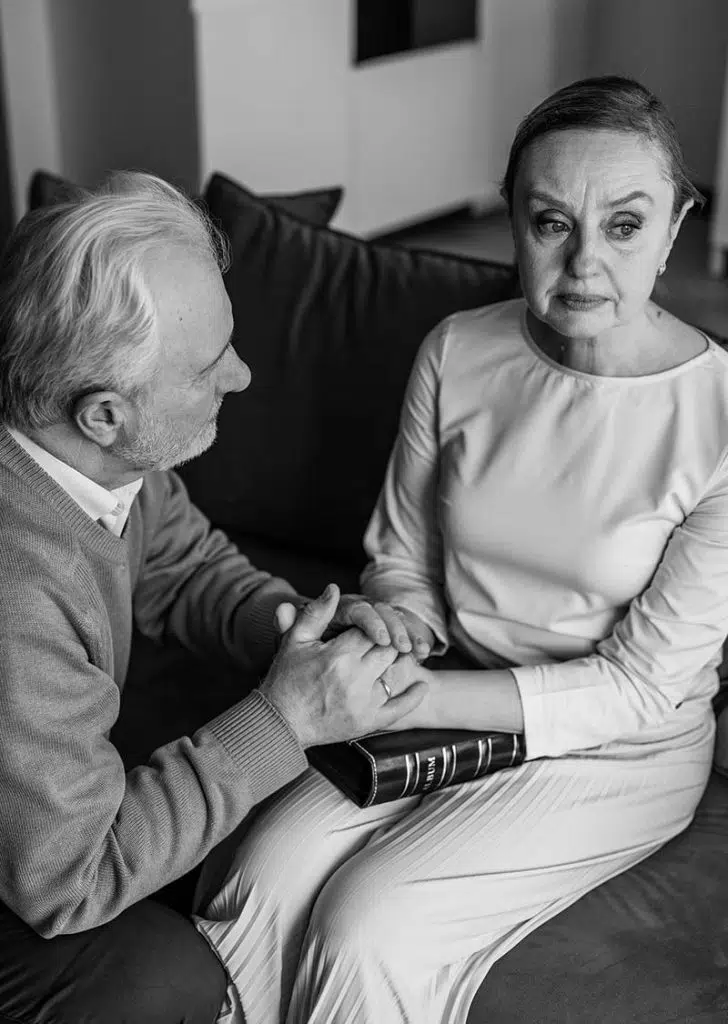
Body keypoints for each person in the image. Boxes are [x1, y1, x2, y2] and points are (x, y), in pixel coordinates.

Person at [194, 76, 728, 1024]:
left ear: (677, 228)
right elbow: (400, 554)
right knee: (263, 870)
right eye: (551, 222)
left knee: (370, 922)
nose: (585, 266)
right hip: (447, 698)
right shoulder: (457, 350)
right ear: (513, 220)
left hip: (617, 745)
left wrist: (426, 694)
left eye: (625, 225)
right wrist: (402, 626)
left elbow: (643, 686)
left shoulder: (717, 420)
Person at [0, 173, 427, 1024]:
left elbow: (186, 566)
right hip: (40, 869)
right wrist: (286, 720)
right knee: (170, 982)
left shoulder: (103, 465)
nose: (242, 375)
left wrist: (301, 632)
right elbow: (68, 879)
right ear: (104, 416)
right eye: (206, 367)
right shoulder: (18, 590)